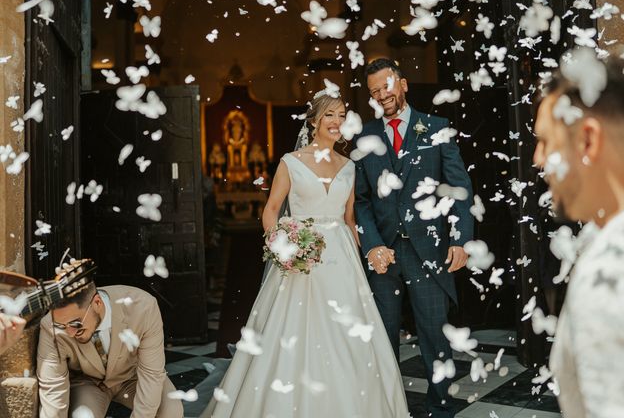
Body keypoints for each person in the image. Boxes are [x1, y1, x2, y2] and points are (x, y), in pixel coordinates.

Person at [200, 91, 409, 417]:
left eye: (342, 115)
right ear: (313, 121)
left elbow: (351, 220)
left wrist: (368, 255)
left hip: (340, 257)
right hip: (300, 256)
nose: (337, 121)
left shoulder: (350, 167)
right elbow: (270, 211)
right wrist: (283, 247)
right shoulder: (291, 162)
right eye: (330, 115)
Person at [354, 58, 474, 418]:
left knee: (435, 335)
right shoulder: (365, 137)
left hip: (430, 249)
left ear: (403, 84)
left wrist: (459, 238)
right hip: (384, 253)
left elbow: (458, 188)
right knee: (383, 334)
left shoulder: (437, 128)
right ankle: (389, 408)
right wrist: (373, 243)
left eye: (386, 86)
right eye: (374, 91)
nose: (381, 95)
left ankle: (440, 406)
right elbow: (360, 200)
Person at [533, 52, 624, 418]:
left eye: (546, 141)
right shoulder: (606, 234)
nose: (538, 160)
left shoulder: (614, 275)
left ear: (588, 140)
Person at [37, 282, 184, 418]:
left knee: (171, 410)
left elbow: (152, 374)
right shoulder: (51, 327)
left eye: (75, 323)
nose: (69, 332)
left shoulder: (143, 307)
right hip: (88, 382)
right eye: (62, 325)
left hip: (132, 376)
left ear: (97, 303)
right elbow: (53, 390)